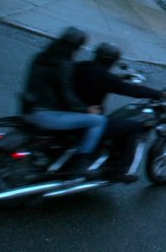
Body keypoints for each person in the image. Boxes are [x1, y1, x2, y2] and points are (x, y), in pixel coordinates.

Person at [73, 42, 166, 182]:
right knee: (133, 127)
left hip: (71, 115)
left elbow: (102, 78)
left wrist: (120, 77)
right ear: (111, 61)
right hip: (88, 123)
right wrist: (160, 94)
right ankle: (117, 170)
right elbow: (132, 90)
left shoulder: (81, 66)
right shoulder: (106, 78)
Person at [20, 27, 107, 177]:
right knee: (99, 121)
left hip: (28, 110)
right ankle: (81, 162)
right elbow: (68, 97)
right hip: (46, 115)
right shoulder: (63, 64)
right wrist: (87, 109)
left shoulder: (41, 56)